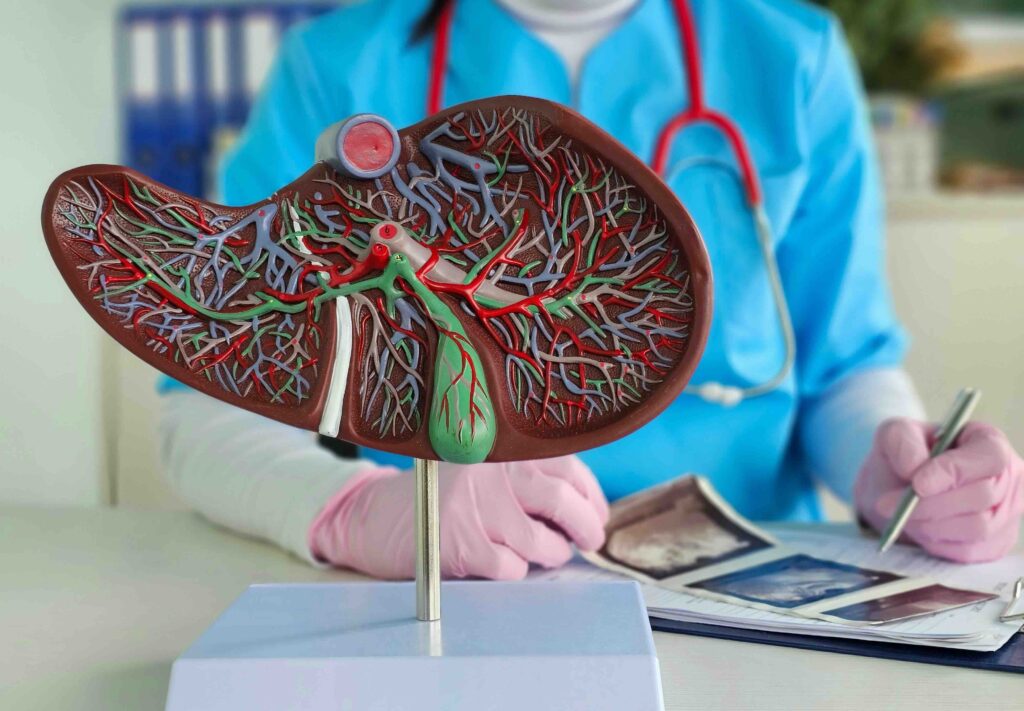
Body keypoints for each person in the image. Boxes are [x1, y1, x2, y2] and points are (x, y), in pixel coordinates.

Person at [159, 0, 1024, 579]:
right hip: (446, 598)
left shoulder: (790, 57)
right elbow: (203, 399)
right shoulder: (340, 66)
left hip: (746, 602)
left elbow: (842, 362)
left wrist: (894, 466)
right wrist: (359, 512)